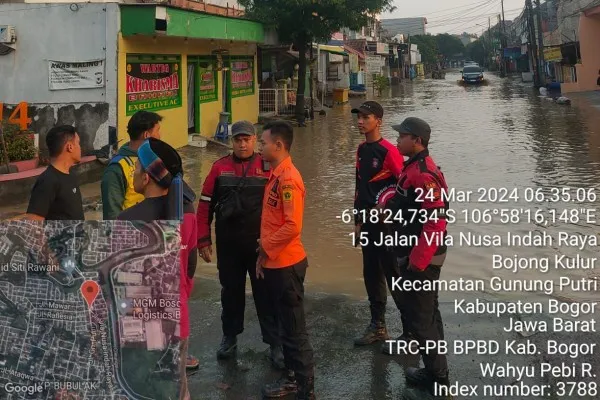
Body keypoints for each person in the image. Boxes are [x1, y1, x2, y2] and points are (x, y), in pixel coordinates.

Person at [117, 138, 198, 400]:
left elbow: (119, 282)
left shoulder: (127, 220)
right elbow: (191, 265)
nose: (134, 172)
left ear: (148, 177)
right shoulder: (188, 213)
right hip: (178, 319)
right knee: (177, 387)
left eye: (137, 167)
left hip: (139, 327)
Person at [196, 120, 282, 367]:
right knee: (230, 294)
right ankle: (230, 337)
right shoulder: (219, 168)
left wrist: (276, 244)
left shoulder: (269, 167)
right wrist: (203, 240)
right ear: (231, 141)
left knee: (266, 295)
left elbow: (283, 209)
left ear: (255, 140)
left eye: (247, 139)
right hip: (228, 246)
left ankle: (275, 343)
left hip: (260, 248)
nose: (242, 144)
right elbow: (204, 207)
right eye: (238, 140)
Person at [383, 117, 450, 398]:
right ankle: (434, 370)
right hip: (414, 251)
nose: (398, 140)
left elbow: (436, 222)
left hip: (422, 256)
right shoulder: (413, 167)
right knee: (428, 314)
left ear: (417, 141)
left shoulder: (423, 173)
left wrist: (417, 262)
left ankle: (437, 378)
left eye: (403, 136)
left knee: (421, 319)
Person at [256, 121, 314, 400]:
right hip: (276, 261)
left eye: (263, 142)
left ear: (278, 145)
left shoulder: (288, 178)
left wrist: (265, 246)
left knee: (294, 331)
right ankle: (292, 378)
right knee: (285, 327)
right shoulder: (276, 175)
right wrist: (263, 255)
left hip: (287, 264)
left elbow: (292, 226)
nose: (259, 146)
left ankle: (305, 388)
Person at [350, 101, 404, 348]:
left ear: (379, 121)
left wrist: (390, 213)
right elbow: (360, 187)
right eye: (359, 117)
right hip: (368, 224)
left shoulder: (389, 151)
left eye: (366, 117)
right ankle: (378, 326)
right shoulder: (361, 150)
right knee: (370, 273)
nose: (360, 122)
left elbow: (405, 186)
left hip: (388, 226)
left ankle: (411, 329)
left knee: (394, 275)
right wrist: (358, 220)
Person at [101, 111, 162, 220]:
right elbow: (112, 215)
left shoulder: (155, 160)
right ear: (147, 135)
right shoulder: (116, 169)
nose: (160, 136)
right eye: (157, 131)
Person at [25, 125, 84, 220]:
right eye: (78, 143)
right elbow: (33, 223)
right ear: (70, 147)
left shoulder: (71, 175)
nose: (80, 148)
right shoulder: (48, 181)